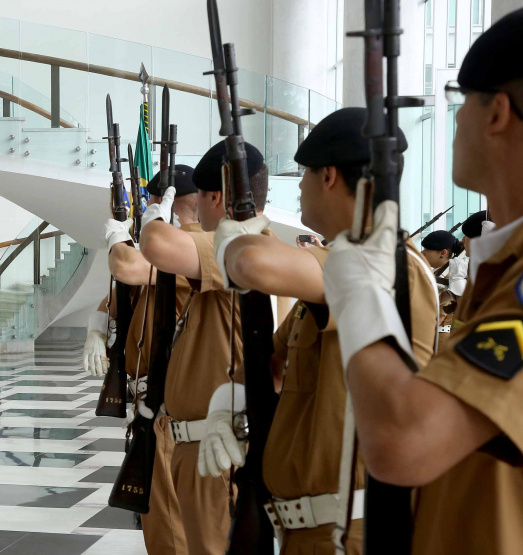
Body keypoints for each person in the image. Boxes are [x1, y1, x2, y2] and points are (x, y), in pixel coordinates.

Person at [321, 9, 523, 553]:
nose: (454, 122)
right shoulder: (502, 270)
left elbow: (403, 439)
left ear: (497, 113)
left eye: (462, 102)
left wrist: (356, 290)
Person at [211, 108, 438, 554]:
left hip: (351, 533)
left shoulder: (386, 265)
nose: (298, 187)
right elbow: (273, 366)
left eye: (305, 174)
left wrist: (232, 242)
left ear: (329, 176)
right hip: (312, 530)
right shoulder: (340, 266)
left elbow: (252, 264)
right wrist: (228, 401)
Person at [135, 141, 268, 555]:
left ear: (215, 198)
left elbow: (155, 247)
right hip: (195, 443)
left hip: (217, 448)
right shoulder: (237, 245)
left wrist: (155, 218)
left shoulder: (234, 244)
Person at [88, 168, 200, 555]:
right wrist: (97, 326)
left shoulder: (186, 250)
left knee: (170, 527)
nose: (147, 208)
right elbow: (120, 293)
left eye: (151, 202)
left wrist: (119, 236)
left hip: (171, 406)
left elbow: (127, 267)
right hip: (146, 406)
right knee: (158, 522)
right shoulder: (164, 256)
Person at [420, 229, 467, 347]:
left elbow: (439, 316)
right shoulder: (438, 272)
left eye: (427, 250)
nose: (422, 253)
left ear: (443, 253)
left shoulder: (450, 275)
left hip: (440, 337)